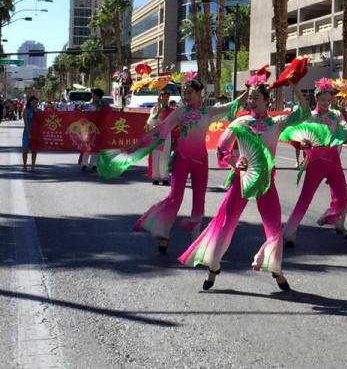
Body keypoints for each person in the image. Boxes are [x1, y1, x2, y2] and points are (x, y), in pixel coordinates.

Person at [179, 77, 308, 292]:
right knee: (225, 222)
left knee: (274, 225)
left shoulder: (276, 123)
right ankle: (214, 266)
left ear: (267, 101)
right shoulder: (241, 122)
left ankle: (276, 268)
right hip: (241, 179)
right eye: (249, 98)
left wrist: (295, 87)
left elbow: (304, 113)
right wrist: (234, 162)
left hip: (265, 181)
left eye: (256, 97)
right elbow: (222, 149)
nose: (251, 101)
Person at [97, 78, 243, 253]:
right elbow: (161, 129)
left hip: (201, 162)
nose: (187, 96)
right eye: (185, 93)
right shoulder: (180, 112)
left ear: (199, 94)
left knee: (199, 199)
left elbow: (233, 104)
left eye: (190, 92)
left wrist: (249, 91)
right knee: (175, 198)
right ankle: (164, 233)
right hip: (181, 159)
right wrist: (136, 145)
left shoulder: (208, 111)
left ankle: (195, 234)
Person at [283, 78, 347, 247]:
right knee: (305, 199)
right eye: (323, 100)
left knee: (343, 198)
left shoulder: (336, 115)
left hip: (334, 161)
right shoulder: (310, 117)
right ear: (317, 99)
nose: (326, 103)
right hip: (315, 161)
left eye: (329, 100)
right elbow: (302, 134)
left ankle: (334, 220)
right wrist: (305, 143)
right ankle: (290, 232)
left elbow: (343, 125)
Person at [145, 90, 174, 185]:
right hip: (156, 135)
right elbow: (150, 123)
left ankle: (164, 176)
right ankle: (156, 177)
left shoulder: (171, 111)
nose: (165, 99)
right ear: (159, 98)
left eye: (167, 97)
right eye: (163, 97)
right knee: (156, 155)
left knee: (165, 156)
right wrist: (157, 114)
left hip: (166, 135)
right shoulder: (154, 109)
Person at [79, 88, 105, 171]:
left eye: (93, 95)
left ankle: (94, 164)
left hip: (99, 129)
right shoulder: (89, 105)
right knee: (87, 146)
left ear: (98, 97)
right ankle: (84, 164)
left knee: (96, 147)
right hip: (89, 129)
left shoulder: (104, 107)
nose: (92, 96)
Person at [22, 96, 39, 172]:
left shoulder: (38, 111)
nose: (35, 103)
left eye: (36, 102)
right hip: (27, 133)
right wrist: (29, 133)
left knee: (34, 150)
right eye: (34, 102)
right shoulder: (26, 111)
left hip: (36, 133)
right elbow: (26, 123)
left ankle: (33, 166)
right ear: (30, 102)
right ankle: (25, 166)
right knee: (25, 150)